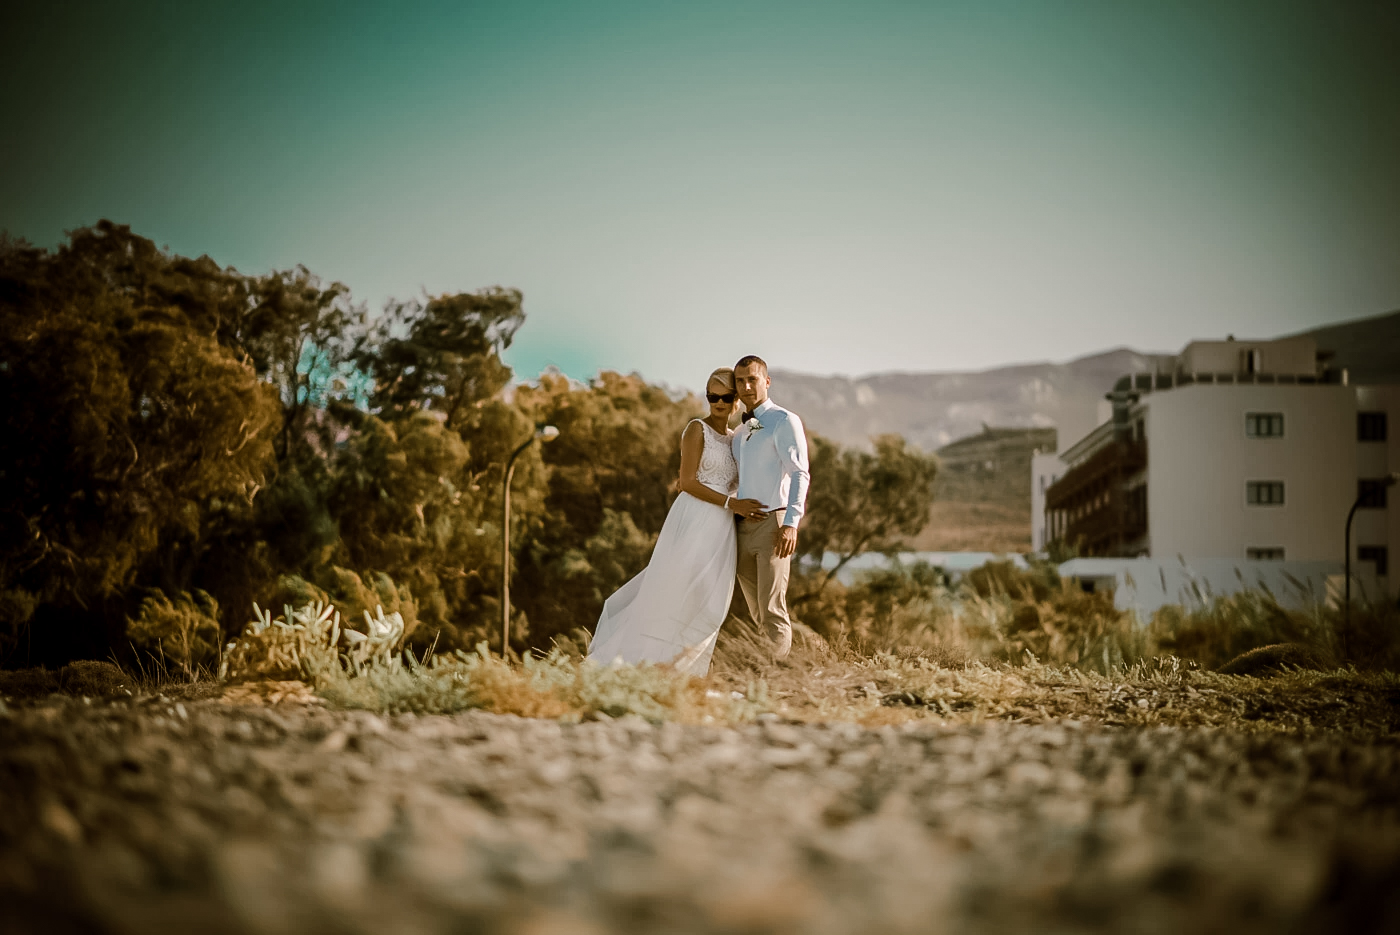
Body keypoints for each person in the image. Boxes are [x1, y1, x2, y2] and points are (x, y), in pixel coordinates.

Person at [587, 368, 765, 676]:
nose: (719, 403)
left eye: (725, 397)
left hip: (722, 530)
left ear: (737, 401)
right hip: (695, 517)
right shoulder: (697, 429)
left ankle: (687, 671)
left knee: (710, 602)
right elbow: (687, 481)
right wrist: (730, 502)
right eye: (712, 397)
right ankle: (643, 666)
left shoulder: (738, 439)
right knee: (674, 590)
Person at [731, 355, 810, 659]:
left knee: (772, 609)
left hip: (773, 524)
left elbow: (800, 472)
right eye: (740, 381)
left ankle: (770, 680)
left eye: (752, 379)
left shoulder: (783, 420)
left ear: (766, 381)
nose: (747, 386)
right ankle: (767, 675)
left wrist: (791, 523)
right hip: (741, 529)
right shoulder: (739, 434)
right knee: (757, 613)